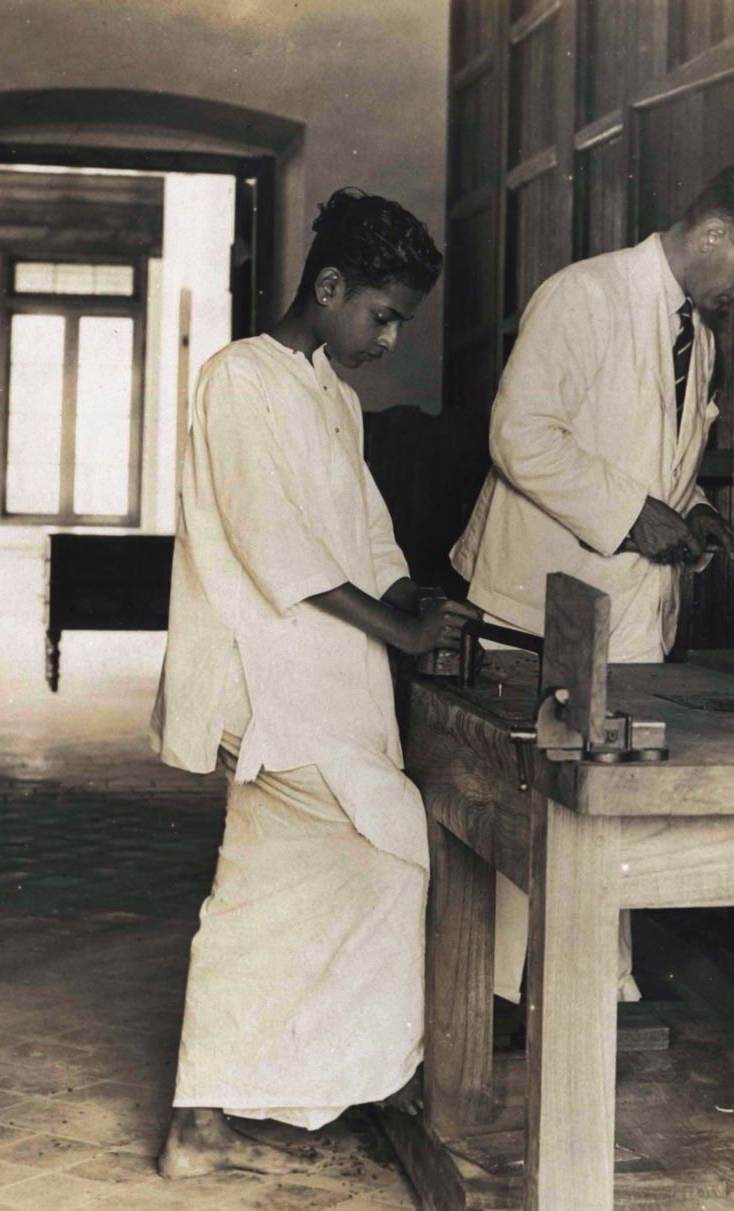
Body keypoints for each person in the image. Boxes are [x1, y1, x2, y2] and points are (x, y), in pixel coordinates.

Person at [151, 188, 478, 1179]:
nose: (388, 338)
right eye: (381, 314)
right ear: (328, 285)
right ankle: (333, 1078)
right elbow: (275, 546)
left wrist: (411, 594)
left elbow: (365, 529)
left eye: (400, 322)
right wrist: (401, 628)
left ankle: (221, 1106)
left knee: (274, 885)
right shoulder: (238, 379)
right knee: (395, 848)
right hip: (271, 678)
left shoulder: (329, 390)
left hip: (331, 673)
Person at [450, 162, 734, 1003]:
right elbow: (520, 435)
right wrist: (635, 512)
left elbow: (647, 461)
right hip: (534, 607)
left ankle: (597, 1006)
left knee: (602, 821)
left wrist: (692, 509)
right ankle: (502, 1015)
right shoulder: (585, 295)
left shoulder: (701, 337)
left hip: (624, 620)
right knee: (519, 827)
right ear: (716, 233)